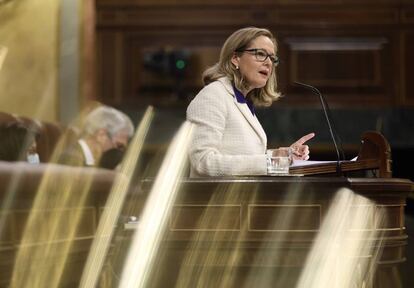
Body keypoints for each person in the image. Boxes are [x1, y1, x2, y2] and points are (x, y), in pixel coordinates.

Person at [186, 27, 315, 177]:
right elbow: (202, 162)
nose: (269, 63)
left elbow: (239, 153)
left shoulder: (241, 101)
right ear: (235, 58)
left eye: (272, 58)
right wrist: (270, 162)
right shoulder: (213, 96)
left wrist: (281, 155)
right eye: (260, 54)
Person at [55, 105, 134, 168]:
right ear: (101, 135)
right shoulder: (71, 159)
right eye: (119, 146)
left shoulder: (95, 162)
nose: (119, 152)